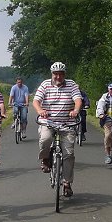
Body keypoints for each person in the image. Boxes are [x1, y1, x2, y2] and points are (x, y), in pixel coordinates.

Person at [33, 61, 82, 197]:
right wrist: (40, 110)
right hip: (48, 122)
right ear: (52, 74)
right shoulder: (45, 84)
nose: (58, 77)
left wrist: (76, 110)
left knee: (68, 154)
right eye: (56, 74)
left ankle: (67, 183)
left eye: (61, 74)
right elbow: (36, 101)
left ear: (64, 74)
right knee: (45, 139)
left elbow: (78, 99)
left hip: (67, 124)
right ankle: (45, 159)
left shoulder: (71, 84)